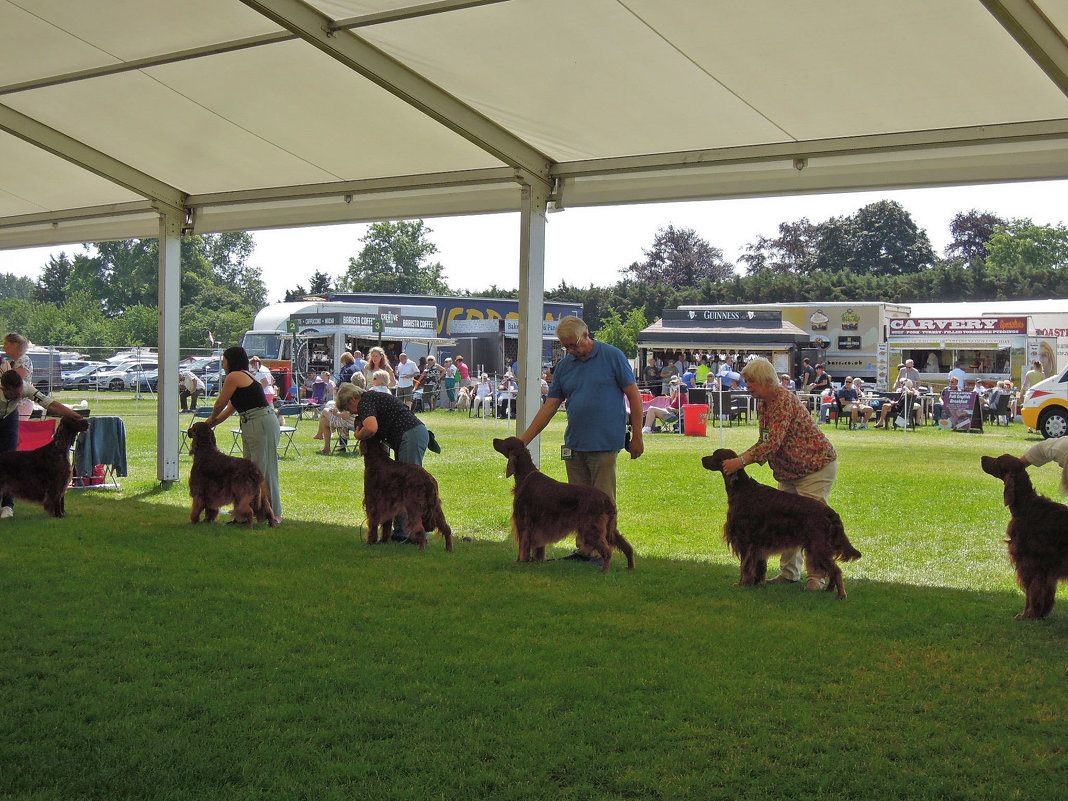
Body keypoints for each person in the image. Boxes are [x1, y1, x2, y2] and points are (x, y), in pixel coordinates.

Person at [517, 316, 644, 564]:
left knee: (603, 501)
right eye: (566, 347)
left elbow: (634, 396)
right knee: (576, 504)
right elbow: (550, 407)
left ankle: (603, 548)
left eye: (574, 345)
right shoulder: (565, 367)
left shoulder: (613, 356)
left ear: (586, 335)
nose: (572, 351)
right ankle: (585, 549)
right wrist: (524, 440)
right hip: (574, 445)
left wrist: (637, 435)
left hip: (605, 444)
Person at [719, 357, 837, 590]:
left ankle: (817, 579)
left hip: (815, 468)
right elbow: (764, 440)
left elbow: (771, 444)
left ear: (765, 380)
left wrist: (739, 462)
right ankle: (789, 574)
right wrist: (743, 459)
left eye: (751, 381)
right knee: (785, 523)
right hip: (788, 472)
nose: (747, 386)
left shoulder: (783, 401)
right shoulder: (764, 402)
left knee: (810, 522)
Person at [336, 380, 431, 542]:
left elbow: (371, 428)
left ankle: (415, 532)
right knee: (401, 485)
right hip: (411, 434)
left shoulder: (365, 403)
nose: (352, 413)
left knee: (408, 486)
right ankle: (402, 531)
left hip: (410, 435)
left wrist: (358, 435)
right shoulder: (372, 398)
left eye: (349, 409)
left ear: (352, 399)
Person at [202, 346, 281, 524]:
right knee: (249, 472)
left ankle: (274, 514)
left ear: (231, 360)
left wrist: (207, 423)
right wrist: (210, 425)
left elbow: (219, 404)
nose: (223, 365)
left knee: (261, 471)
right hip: (251, 423)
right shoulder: (245, 376)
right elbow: (231, 408)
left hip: (260, 423)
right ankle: (248, 513)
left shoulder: (234, 376)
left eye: (224, 361)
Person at [0, 370, 85, 519]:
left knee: (8, 458)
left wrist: (76, 417)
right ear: (4, 389)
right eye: (16, 394)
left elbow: (50, 404)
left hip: (10, 416)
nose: (20, 396)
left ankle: (7, 506)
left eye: (21, 392)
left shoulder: (26, 389)